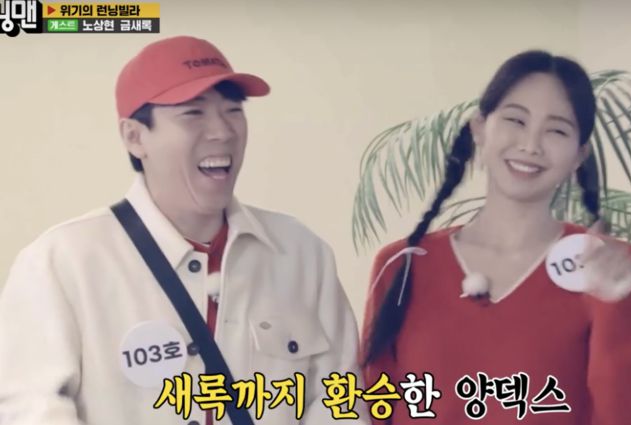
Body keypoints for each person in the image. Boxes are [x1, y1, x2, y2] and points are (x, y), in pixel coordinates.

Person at [0, 35, 368, 425]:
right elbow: (30, 409)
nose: (222, 131)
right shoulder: (62, 262)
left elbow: (338, 402)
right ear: (134, 136)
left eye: (233, 110)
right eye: (193, 113)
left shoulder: (302, 254)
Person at [360, 50, 631, 425]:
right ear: (480, 128)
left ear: (580, 155)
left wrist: (617, 305)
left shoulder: (610, 268)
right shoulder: (402, 264)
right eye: (516, 120)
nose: (531, 145)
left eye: (557, 130)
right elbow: (372, 406)